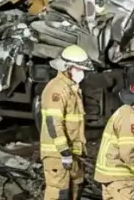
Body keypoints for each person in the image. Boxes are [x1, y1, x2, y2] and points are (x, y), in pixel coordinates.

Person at [39, 45, 94, 200]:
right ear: (68, 68)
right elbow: (53, 123)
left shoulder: (72, 88)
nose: (81, 73)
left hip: (73, 152)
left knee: (77, 186)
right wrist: (64, 152)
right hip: (58, 154)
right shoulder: (56, 89)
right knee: (58, 192)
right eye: (78, 69)